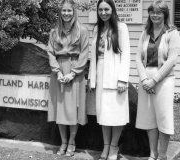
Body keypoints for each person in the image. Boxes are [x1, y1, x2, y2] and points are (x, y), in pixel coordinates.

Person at [135, 0, 180, 160]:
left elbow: (172, 60)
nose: (155, 15)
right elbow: (138, 58)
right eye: (152, 12)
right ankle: (152, 154)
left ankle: (162, 155)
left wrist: (153, 81)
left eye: (159, 12)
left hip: (164, 80)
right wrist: (143, 79)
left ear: (165, 14)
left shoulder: (172, 33)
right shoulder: (145, 32)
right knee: (149, 118)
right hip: (145, 79)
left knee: (163, 117)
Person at [88, 0, 130, 159]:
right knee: (103, 114)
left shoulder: (122, 28)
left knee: (117, 114)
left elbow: (126, 55)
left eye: (106, 9)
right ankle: (105, 146)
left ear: (112, 9)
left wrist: (122, 79)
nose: (103, 12)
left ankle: (114, 147)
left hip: (115, 75)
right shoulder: (97, 28)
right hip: (100, 74)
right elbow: (94, 57)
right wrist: (92, 79)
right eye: (100, 10)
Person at [47, 0, 89, 157]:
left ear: (74, 11)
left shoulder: (82, 30)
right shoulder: (54, 32)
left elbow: (85, 53)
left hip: (75, 71)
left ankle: (72, 141)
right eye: (64, 11)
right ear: (60, 12)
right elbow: (50, 52)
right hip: (58, 70)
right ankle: (63, 141)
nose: (66, 14)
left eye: (69, 11)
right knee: (60, 108)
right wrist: (57, 71)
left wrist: (73, 72)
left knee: (73, 109)